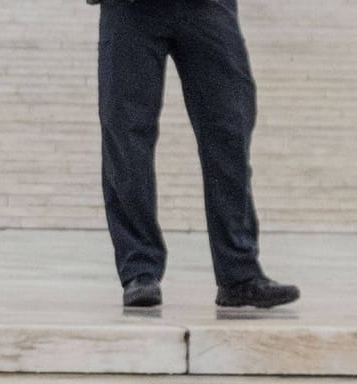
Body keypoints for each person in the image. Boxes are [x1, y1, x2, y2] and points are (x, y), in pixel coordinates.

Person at [91, 0, 297, 310]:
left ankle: (238, 275)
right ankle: (139, 272)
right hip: (129, 9)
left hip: (207, 8)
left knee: (229, 131)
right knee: (126, 138)